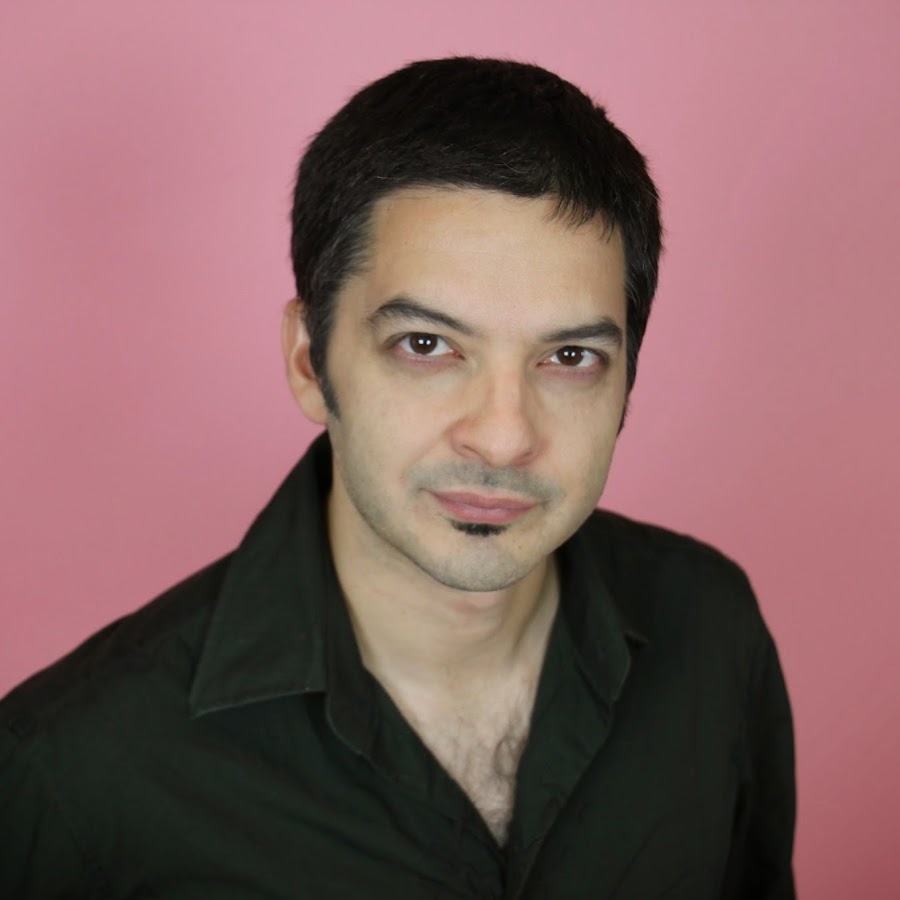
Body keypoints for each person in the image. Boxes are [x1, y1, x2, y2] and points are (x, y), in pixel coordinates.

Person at [0, 57, 795, 898]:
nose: (503, 437)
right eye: (426, 346)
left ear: (628, 379)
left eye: (569, 358)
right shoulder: (68, 773)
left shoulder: (711, 631)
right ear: (310, 362)